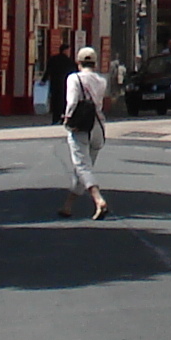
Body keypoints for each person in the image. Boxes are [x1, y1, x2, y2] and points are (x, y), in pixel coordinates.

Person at [59, 43, 112, 220]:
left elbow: (72, 101)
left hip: (81, 125)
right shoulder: (102, 80)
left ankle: (98, 200)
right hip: (98, 126)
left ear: (78, 62)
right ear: (95, 63)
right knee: (84, 168)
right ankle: (68, 205)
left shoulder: (74, 78)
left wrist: (67, 119)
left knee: (82, 166)